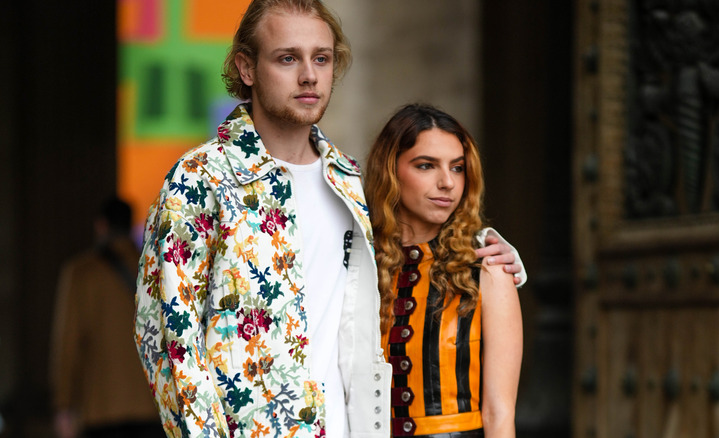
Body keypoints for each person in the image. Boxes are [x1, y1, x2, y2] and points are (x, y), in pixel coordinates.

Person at [134, 1, 524, 437]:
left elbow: (418, 238)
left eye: (321, 58)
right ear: (246, 68)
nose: (309, 75)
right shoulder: (199, 180)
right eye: (288, 58)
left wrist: (496, 251)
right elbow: (169, 343)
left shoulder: (350, 184)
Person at [365, 104, 524, 438]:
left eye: (458, 168)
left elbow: (499, 413)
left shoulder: (489, 269)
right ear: (390, 171)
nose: (447, 182)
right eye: (426, 166)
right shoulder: (358, 266)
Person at [50, 197, 164, 438]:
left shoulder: (82, 272)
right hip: (152, 407)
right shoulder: (157, 269)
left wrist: (64, 405)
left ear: (101, 226)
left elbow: (68, 343)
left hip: (101, 408)